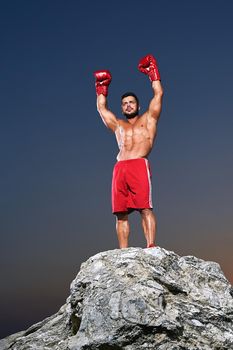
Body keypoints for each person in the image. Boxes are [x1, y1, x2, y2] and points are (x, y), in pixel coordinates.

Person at [94, 54, 163, 248]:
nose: (128, 105)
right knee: (120, 214)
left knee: (145, 208)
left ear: (138, 105)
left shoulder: (149, 119)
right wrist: (101, 88)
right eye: (124, 103)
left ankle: (151, 245)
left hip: (138, 165)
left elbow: (158, 95)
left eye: (131, 102)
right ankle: (123, 252)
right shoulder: (118, 125)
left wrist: (153, 74)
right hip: (120, 168)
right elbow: (101, 108)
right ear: (122, 108)